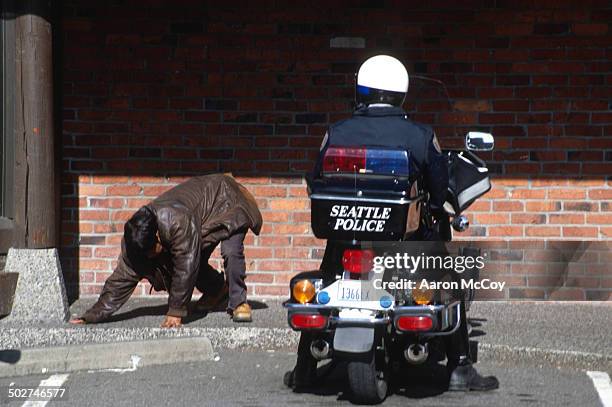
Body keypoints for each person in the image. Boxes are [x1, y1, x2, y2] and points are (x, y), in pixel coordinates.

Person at [288, 55, 499, 391]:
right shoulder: (420, 135)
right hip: (406, 242)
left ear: (361, 90)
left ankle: (304, 368)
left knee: (327, 282)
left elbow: (315, 180)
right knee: (451, 281)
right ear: (401, 93)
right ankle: (460, 368)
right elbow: (440, 188)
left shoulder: (336, 132)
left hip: (347, 239)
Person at [70, 174, 262, 327]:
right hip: (201, 217)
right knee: (184, 257)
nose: (151, 255)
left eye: (152, 249)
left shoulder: (175, 221)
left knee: (230, 251)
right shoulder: (135, 239)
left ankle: (238, 302)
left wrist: (175, 312)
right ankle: (218, 290)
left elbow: (186, 266)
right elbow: (122, 278)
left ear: (157, 234)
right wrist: (93, 315)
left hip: (228, 201)